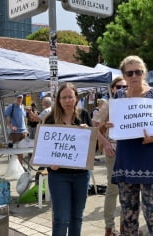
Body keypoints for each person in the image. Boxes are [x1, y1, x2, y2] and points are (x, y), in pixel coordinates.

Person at [108, 55, 153, 235]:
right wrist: (109, 125)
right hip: (126, 160)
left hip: (151, 159)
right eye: (130, 72)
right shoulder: (118, 96)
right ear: (124, 75)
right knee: (128, 215)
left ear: (144, 73)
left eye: (138, 72)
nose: (134, 76)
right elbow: (111, 122)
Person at [43, 83, 93, 236]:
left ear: (76, 98)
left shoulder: (84, 115)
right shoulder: (51, 119)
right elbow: (45, 150)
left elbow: (93, 146)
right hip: (59, 176)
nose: (67, 100)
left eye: (70, 97)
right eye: (63, 97)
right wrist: (51, 166)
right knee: (62, 219)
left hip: (81, 175)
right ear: (58, 100)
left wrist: (88, 133)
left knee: (77, 217)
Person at [93, 76, 127, 236]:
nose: (121, 89)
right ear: (112, 89)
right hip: (113, 151)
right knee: (113, 189)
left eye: (124, 86)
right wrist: (105, 143)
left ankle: (125, 226)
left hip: (130, 152)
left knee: (128, 190)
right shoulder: (107, 104)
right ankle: (109, 227)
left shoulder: (131, 103)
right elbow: (94, 128)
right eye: (118, 87)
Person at [4, 94, 28, 163]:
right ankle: (14, 168)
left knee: (21, 152)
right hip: (14, 133)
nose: (19, 99)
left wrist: (26, 129)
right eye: (18, 97)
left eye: (20, 97)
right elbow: (6, 117)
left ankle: (20, 167)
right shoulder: (11, 106)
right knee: (14, 152)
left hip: (23, 133)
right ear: (15, 98)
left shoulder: (23, 106)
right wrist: (11, 126)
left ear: (22, 98)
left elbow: (23, 119)